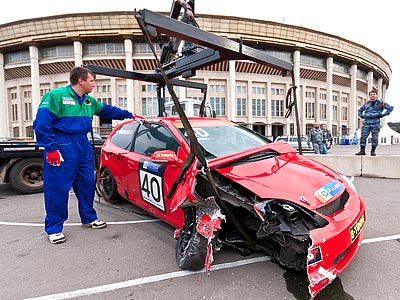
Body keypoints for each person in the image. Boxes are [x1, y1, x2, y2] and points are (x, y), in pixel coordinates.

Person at [33, 66, 140, 244]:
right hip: (62, 144)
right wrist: (51, 148)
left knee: (87, 184)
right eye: (91, 81)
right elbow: (42, 123)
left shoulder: (89, 101)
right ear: (81, 80)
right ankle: (54, 228)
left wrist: (129, 115)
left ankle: (88, 217)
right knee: (58, 188)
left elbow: (107, 110)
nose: (94, 84)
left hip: (82, 145)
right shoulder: (56, 96)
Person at [355, 90, 394, 156]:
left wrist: (384, 114)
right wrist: (360, 115)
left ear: (376, 95)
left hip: (375, 122)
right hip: (366, 122)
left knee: (375, 138)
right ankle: (362, 151)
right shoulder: (367, 103)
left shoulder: (380, 103)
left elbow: (390, 108)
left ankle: (373, 151)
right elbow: (360, 109)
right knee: (363, 137)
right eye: (371, 95)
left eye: (374, 94)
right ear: (369, 96)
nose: (372, 96)